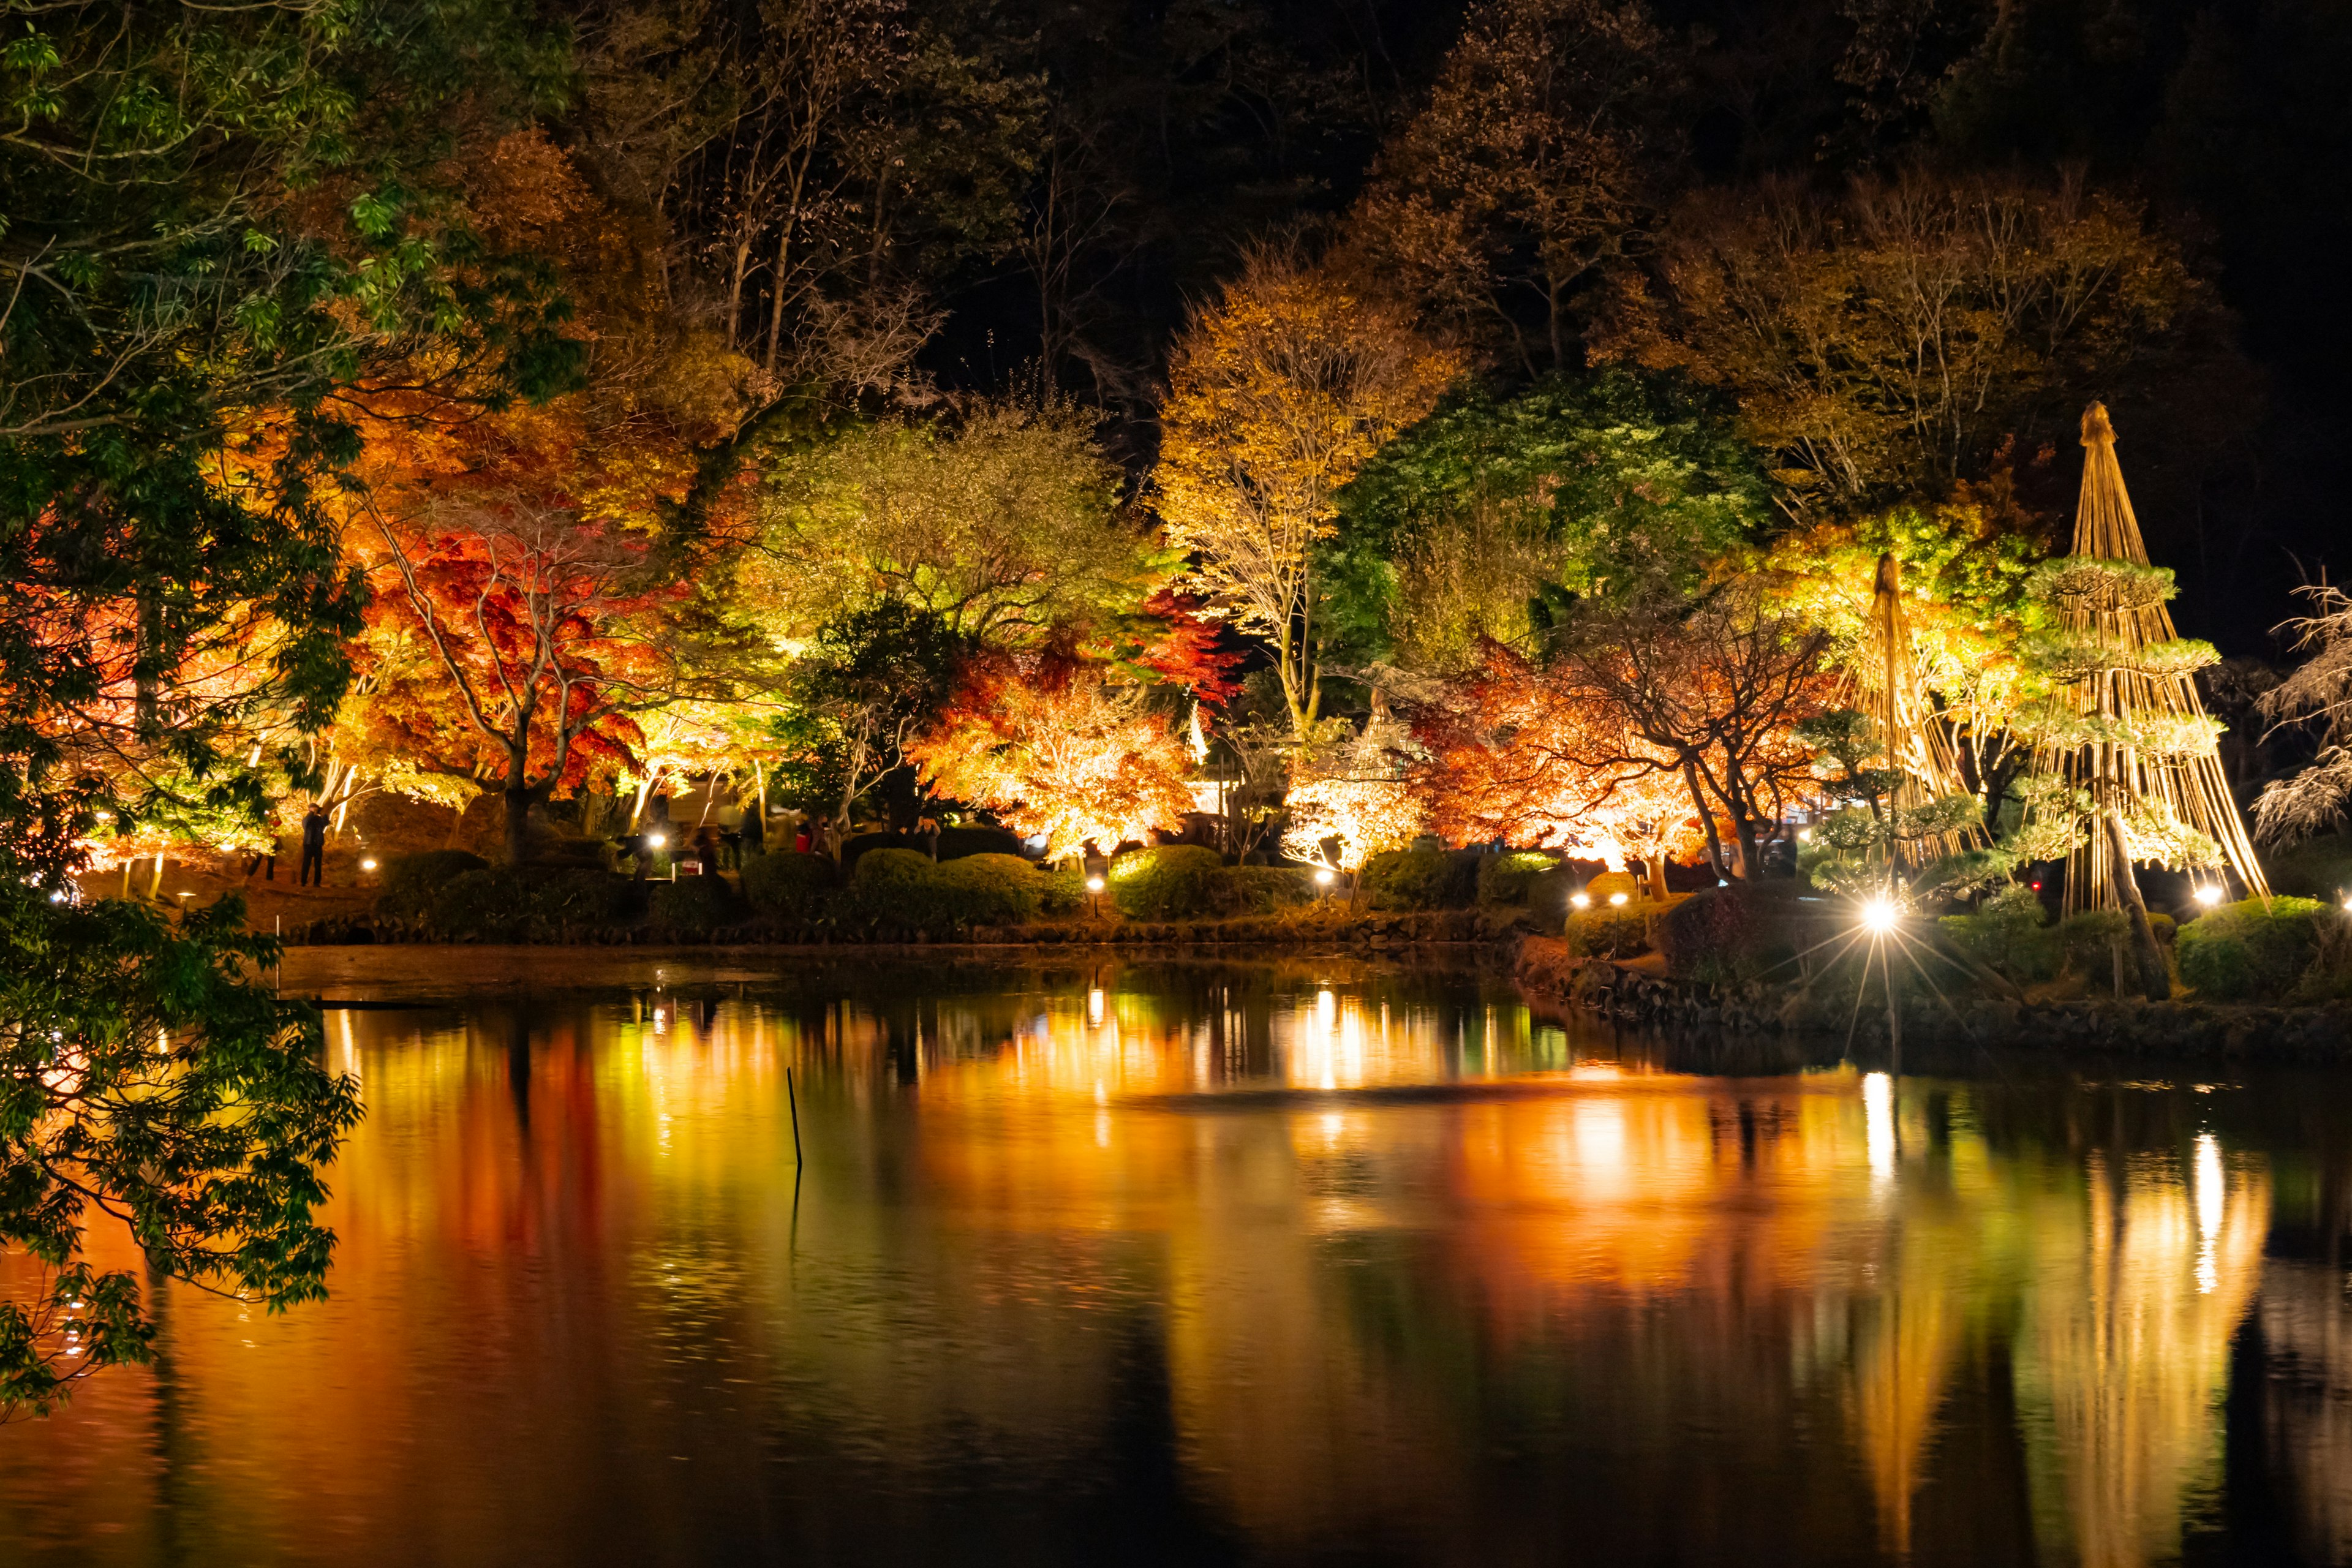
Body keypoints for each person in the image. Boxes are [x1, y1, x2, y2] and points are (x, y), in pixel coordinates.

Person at [298, 801, 330, 886]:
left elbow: (326, 823)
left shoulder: (319, 819)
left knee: (318, 864)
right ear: (310, 810)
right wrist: (312, 813)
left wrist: (324, 814)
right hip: (308, 844)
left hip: (318, 844)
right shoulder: (307, 819)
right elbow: (306, 823)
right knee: (306, 863)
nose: (316, 810)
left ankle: (317, 883)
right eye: (313, 808)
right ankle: (303, 882)